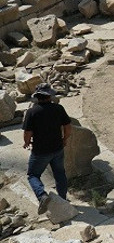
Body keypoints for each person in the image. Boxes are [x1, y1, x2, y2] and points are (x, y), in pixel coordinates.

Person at [22, 83, 72, 214]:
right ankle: (63, 200)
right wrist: (64, 139)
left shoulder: (32, 112)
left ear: (37, 97)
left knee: (33, 175)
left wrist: (26, 143)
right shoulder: (58, 108)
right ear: (50, 95)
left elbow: (27, 133)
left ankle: (42, 196)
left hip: (40, 151)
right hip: (57, 148)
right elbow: (67, 126)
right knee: (60, 173)